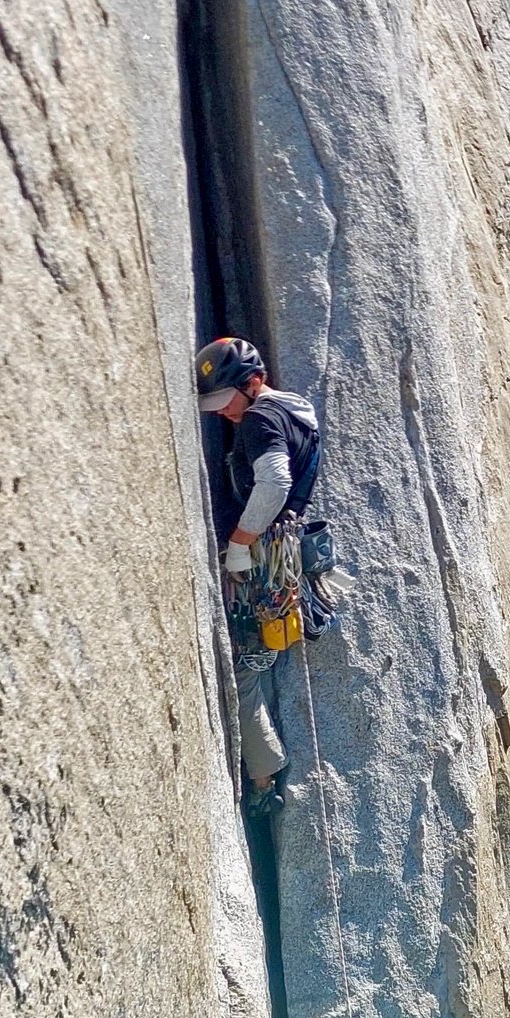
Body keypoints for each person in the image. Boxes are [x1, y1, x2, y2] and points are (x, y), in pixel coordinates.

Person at [196, 336, 322, 816]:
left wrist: (240, 545)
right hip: (281, 553)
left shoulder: (260, 418)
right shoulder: (295, 413)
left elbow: (275, 481)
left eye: (224, 400)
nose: (221, 413)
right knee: (256, 657)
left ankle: (264, 779)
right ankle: (264, 769)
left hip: (262, 557)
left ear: (252, 383)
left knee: (245, 662)